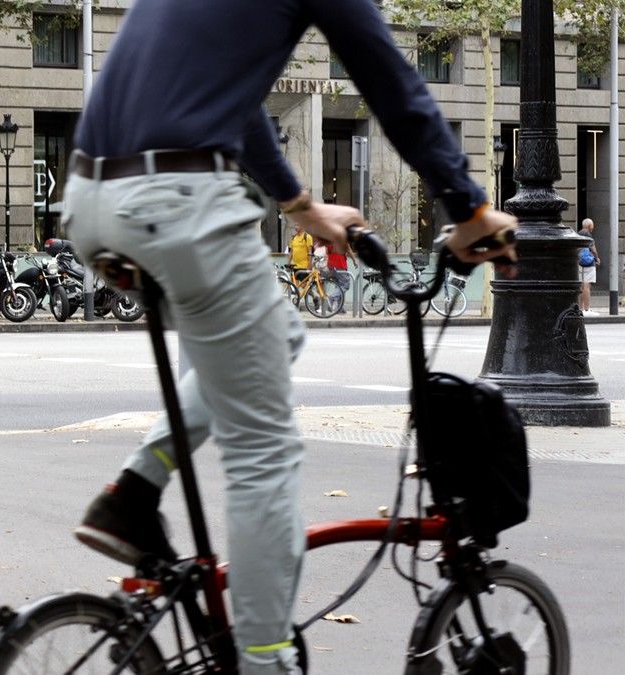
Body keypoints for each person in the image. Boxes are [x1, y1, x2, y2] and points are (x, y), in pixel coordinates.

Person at [63, 2, 517, 673]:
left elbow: (234, 100)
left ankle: (134, 489)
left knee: (276, 337)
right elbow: (392, 84)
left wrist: (303, 207)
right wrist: (470, 208)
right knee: (264, 452)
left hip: (90, 202)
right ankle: (266, 661)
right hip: (177, 198)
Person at [577, 218, 600, 316]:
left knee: (581, 286)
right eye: (592, 225)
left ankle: (580, 308)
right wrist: (597, 258)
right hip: (588, 263)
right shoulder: (588, 235)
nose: (593, 227)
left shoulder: (577, 234)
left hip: (579, 262)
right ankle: (586, 309)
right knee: (587, 286)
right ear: (589, 226)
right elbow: (593, 249)